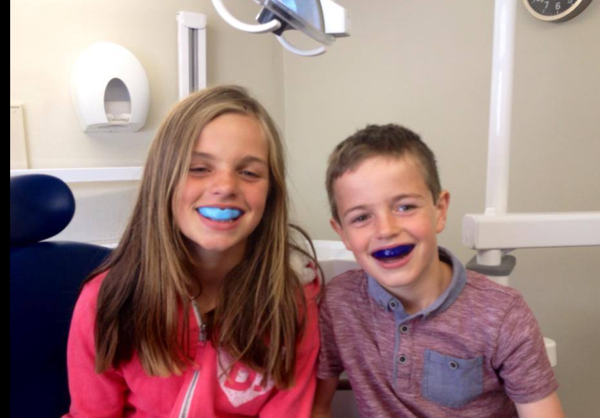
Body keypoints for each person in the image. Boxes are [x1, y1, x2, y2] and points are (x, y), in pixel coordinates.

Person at [65, 85, 321, 417]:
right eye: (199, 168)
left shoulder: (294, 299)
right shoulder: (107, 300)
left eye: (249, 172)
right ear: (163, 181)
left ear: (271, 194)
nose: (225, 187)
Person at [312, 124, 564, 417]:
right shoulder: (338, 303)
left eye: (405, 207)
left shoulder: (503, 315)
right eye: (361, 217)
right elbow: (317, 407)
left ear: (440, 211)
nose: (386, 230)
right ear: (342, 233)